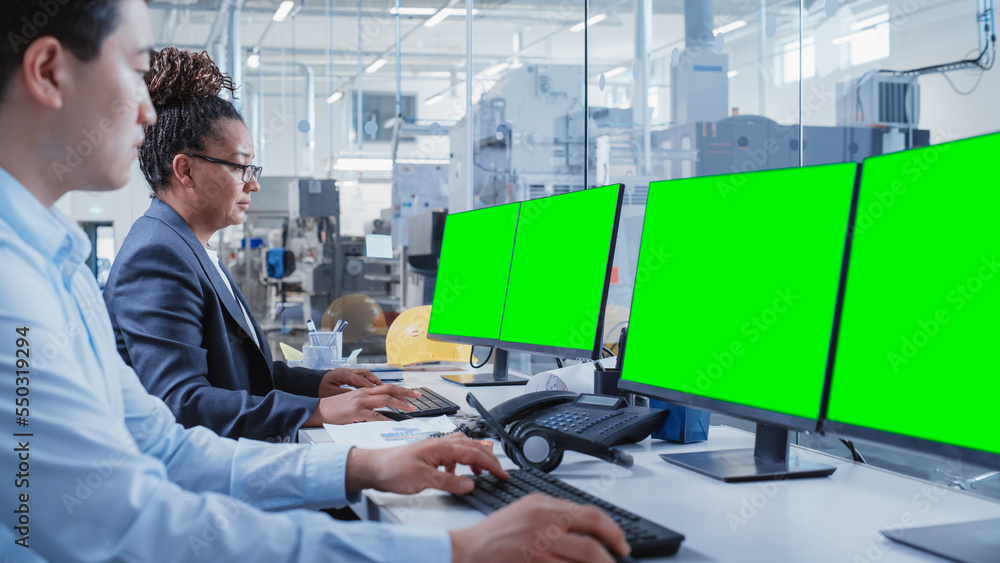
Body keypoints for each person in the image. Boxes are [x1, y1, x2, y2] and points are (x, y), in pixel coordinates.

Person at [0, 1, 630, 561]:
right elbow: (122, 524)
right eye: (134, 71)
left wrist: (367, 464)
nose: (146, 109)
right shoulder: (20, 285)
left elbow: (165, 449)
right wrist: (448, 548)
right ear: (50, 70)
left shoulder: (58, 266)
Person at [102, 47, 416, 442]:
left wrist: (317, 384)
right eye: (240, 166)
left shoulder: (188, 246)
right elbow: (181, 403)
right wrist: (319, 411)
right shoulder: (157, 256)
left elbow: (236, 374)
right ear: (186, 171)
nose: (253, 183)